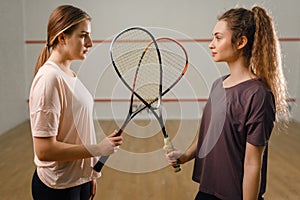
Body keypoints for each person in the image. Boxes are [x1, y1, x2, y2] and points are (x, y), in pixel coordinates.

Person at [165, 6, 288, 200]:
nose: (211, 44)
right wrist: (185, 156)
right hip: (207, 192)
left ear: (240, 42)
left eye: (218, 37)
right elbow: (210, 133)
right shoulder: (218, 85)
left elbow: (252, 163)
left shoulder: (258, 95)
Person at [29, 5, 123, 200]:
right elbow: (44, 150)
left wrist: (90, 175)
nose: (90, 42)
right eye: (83, 35)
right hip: (58, 188)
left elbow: (78, 131)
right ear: (62, 37)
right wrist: (98, 148)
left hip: (79, 181)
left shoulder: (70, 74)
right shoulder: (49, 79)